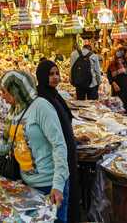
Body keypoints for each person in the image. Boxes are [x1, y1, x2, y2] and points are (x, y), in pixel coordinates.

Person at [0, 71, 70, 223]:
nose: (2, 96)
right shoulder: (14, 111)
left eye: (4, 92)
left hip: (49, 186)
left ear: (16, 90)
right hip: (27, 186)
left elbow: (59, 145)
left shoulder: (41, 107)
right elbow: (8, 145)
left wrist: (58, 185)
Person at [35, 59, 79, 223]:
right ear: (42, 76)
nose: (55, 77)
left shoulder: (55, 95)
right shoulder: (42, 99)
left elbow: (64, 123)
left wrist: (74, 138)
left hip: (65, 153)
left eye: (57, 73)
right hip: (54, 161)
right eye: (51, 74)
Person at [105, 46, 127, 116]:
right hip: (118, 87)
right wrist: (113, 83)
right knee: (118, 104)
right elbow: (109, 75)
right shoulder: (112, 63)